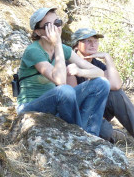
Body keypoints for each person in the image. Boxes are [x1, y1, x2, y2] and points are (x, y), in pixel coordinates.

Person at [16, 8, 110, 136]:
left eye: (58, 23)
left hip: (55, 104)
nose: (56, 29)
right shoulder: (33, 51)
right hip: (30, 106)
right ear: (38, 32)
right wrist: (58, 43)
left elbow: (99, 72)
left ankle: (90, 136)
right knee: (65, 90)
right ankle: (80, 134)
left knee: (102, 83)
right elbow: (59, 80)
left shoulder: (63, 49)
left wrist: (80, 71)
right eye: (49, 26)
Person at [69, 28, 134, 152]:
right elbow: (72, 99)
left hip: (97, 110)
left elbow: (116, 85)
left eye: (95, 41)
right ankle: (112, 132)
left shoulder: (97, 64)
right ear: (76, 45)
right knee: (104, 132)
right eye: (88, 41)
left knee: (116, 94)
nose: (93, 44)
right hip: (79, 112)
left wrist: (107, 58)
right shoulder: (69, 63)